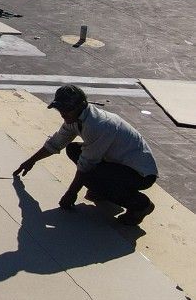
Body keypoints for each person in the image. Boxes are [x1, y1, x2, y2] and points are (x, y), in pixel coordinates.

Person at [14, 84, 159, 226]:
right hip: (117, 163)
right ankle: (103, 190)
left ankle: (141, 205)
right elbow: (56, 142)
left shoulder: (98, 125)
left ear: (81, 106)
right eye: (60, 109)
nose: (63, 114)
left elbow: (87, 165)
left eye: (67, 110)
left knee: (89, 175)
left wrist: (71, 193)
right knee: (73, 149)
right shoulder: (75, 119)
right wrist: (31, 161)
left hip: (140, 174)